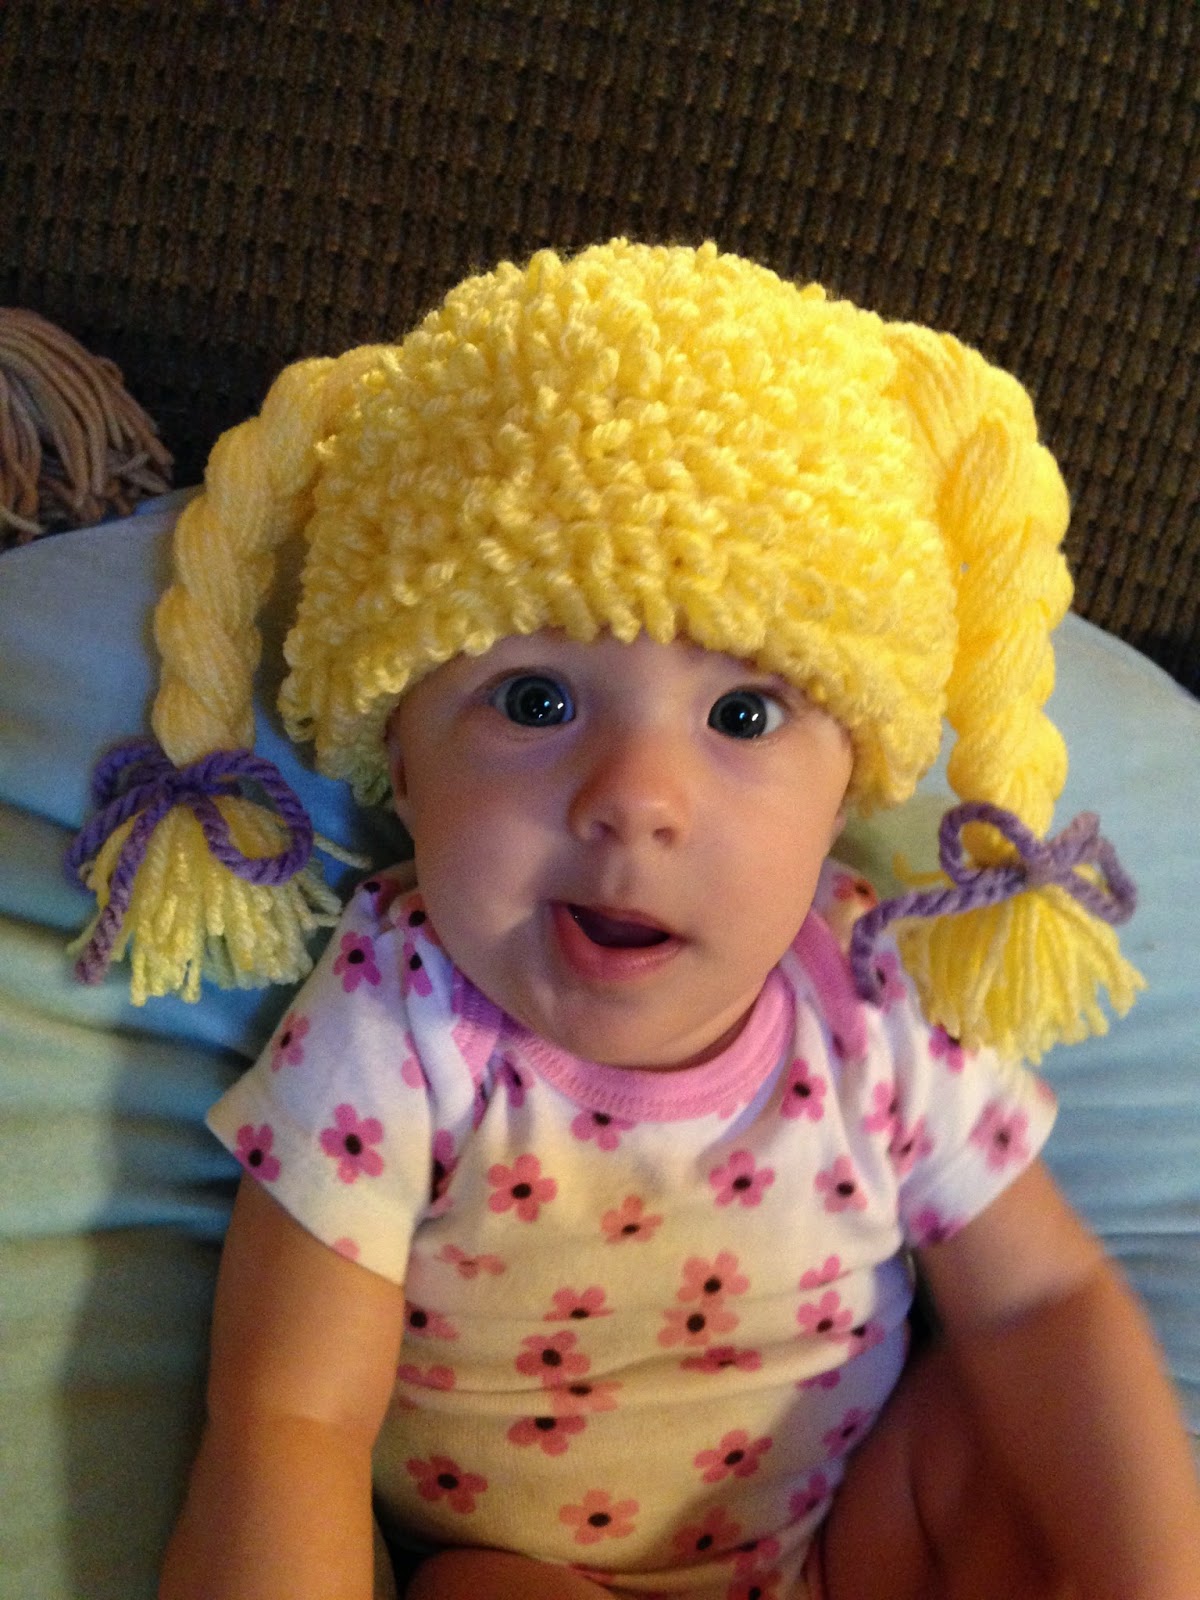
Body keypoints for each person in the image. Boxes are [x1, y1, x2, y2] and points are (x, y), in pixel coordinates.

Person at [69, 241, 1200, 1599]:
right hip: (538, 1571)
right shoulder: (397, 1025)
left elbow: (1046, 1305)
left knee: (995, 1429)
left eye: (744, 714)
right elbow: (288, 1423)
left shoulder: (873, 994)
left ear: (850, 785)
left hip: (851, 1544)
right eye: (536, 701)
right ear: (399, 763)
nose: (636, 802)